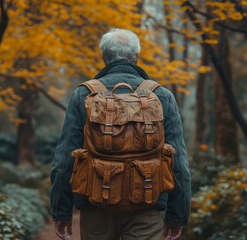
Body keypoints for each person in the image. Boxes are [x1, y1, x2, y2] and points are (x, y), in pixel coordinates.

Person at [50, 28, 191, 240]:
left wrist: (62, 212)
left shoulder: (84, 94)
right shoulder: (161, 96)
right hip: (147, 204)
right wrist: (177, 215)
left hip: (95, 204)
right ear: (137, 56)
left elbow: (64, 159)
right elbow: (178, 162)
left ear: (103, 56)